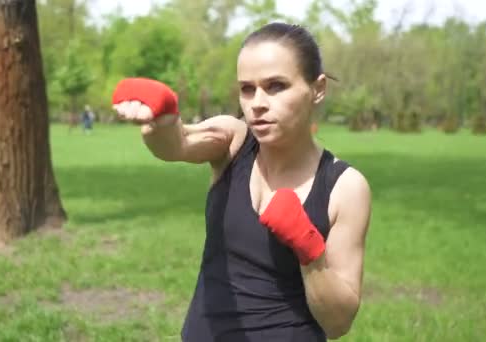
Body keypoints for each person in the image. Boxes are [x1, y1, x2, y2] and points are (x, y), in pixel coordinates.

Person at [111, 22, 371, 341]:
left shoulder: (345, 188)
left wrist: (309, 249)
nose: (257, 103)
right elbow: (176, 144)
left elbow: (338, 323)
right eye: (247, 88)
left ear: (317, 88)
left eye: (276, 86)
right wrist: (163, 117)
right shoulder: (234, 142)